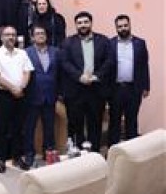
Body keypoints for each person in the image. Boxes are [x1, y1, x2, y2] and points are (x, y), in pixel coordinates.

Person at [60, 11, 112, 151]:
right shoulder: (67, 42)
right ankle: (79, 154)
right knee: (76, 124)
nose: (83, 25)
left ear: (91, 23)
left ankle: (94, 153)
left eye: (85, 22)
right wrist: (79, 76)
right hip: (75, 91)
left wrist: (96, 76)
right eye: (79, 23)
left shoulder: (103, 41)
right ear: (76, 25)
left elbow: (109, 61)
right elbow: (65, 63)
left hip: (96, 90)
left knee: (95, 124)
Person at [0, 25, 33, 170]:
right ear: (1, 37)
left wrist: (21, 87)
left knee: (18, 128)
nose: (11, 37)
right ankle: (1, 159)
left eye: (13, 35)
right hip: (3, 95)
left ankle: (17, 157)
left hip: (21, 94)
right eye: (7, 35)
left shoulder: (22, 53)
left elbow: (27, 72)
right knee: (2, 128)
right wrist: (13, 88)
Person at [107, 15, 150, 144]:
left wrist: (146, 86)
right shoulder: (110, 44)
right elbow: (106, 68)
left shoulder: (140, 43)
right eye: (120, 26)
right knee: (114, 121)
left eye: (125, 25)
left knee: (132, 121)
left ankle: (132, 151)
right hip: (115, 89)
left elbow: (144, 65)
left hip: (134, 89)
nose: (123, 28)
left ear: (130, 25)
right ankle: (112, 150)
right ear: (116, 28)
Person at [24, 25, 60, 166]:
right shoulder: (26, 52)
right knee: (29, 128)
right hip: (32, 95)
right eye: (37, 33)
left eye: (43, 33)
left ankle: (49, 152)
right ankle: (29, 154)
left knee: (49, 127)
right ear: (32, 37)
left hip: (50, 95)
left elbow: (59, 73)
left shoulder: (56, 51)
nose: (40, 35)